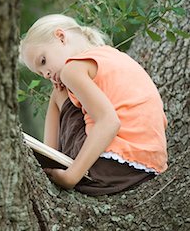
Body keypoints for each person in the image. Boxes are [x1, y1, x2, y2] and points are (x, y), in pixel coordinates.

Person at [20, 14, 168, 196]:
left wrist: (71, 177)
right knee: (60, 91)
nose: (46, 74)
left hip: (111, 166)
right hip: (149, 168)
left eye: (43, 61)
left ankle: (50, 162)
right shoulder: (113, 56)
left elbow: (109, 122)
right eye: (40, 73)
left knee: (58, 93)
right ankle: (50, 160)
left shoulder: (72, 70)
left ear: (61, 37)